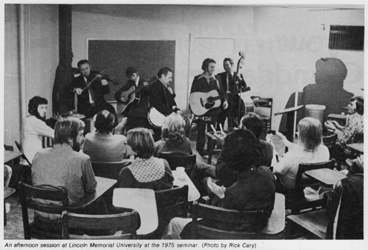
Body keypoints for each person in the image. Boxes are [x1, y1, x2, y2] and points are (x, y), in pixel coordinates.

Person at [162, 129, 276, 239]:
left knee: (173, 223)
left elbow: (213, 219)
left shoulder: (230, 196)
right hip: (253, 233)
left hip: (217, 235)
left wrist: (216, 195)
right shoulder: (267, 174)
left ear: (229, 159)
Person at [32, 117, 97, 211]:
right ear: (70, 138)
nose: (83, 139)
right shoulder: (82, 159)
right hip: (68, 218)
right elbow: (91, 187)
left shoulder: (38, 154)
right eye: (81, 135)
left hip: (41, 215)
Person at [279, 58, 354, 140]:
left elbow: (284, 132)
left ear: (325, 76)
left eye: (318, 72)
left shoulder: (299, 97)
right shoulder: (350, 100)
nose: (315, 74)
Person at [273, 117, 330, 193]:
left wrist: (274, 152)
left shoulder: (292, 155)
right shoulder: (324, 150)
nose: (297, 133)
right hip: (312, 185)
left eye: (299, 132)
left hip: (290, 189)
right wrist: (286, 142)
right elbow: (306, 150)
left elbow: (276, 172)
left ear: (303, 137)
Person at [190, 58, 228, 156]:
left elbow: (222, 92)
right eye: (211, 67)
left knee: (212, 132)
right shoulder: (197, 79)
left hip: (213, 110)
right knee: (201, 133)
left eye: (214, 67)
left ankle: (210, 152)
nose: (213, 69)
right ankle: (199, 153)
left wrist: (225, 101)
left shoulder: (217, 79)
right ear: (205, 67)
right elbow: (193, 95)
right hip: (201, 110)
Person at [114, 67, 150, 132]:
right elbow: (116, 94)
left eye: (133, 76)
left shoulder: (144, 82)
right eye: (130, 77)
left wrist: (147, 87)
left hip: (141, 114)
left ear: (137, 73)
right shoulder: (129, 83)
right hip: (131, 113)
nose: (132, 78)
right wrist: (121, 98)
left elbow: (149, 92)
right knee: (129, 133)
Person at [21, 96, 54, 164]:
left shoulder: (27, 119)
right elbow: (55, 134)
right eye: (42, 108)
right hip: (34, 161)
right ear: (34, 109)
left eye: (45, 108)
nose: (45, 111)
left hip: (26, 159)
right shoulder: (36, 123)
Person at [217, 57, 247, 130]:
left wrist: (239, 78)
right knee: (220, 121)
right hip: (223, 100)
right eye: (224, 65)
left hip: (234, 101)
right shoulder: (220, 76)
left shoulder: (238, 75)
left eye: (227, 65)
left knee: (233, 120)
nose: (225, 67)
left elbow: (244, 86)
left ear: (232, 65)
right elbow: (218, 89)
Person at [149, 67, 178, 140]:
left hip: (164, 117)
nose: (171, 80)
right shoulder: (155, 87)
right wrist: (172, 113)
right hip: (159, 118)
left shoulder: (164, 87)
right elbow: (157, 104)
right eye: (169, 78)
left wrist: (176, 109)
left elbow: (170, 102)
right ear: (163, 76)